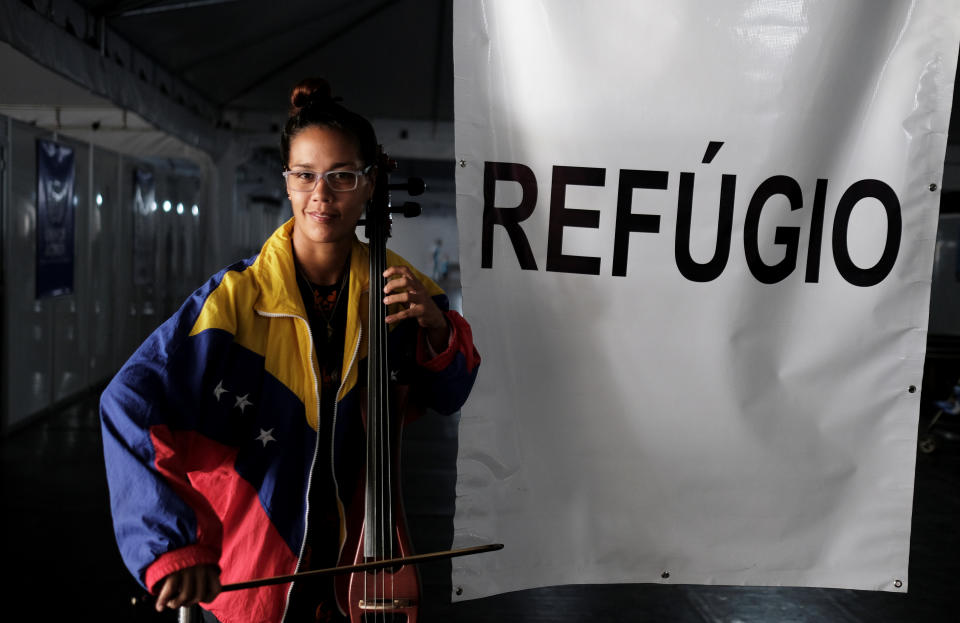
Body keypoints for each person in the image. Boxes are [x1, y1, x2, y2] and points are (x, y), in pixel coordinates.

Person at [100, 77, 481, 623]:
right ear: (287, 181)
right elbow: (129, 402)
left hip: (365, 566)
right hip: (254, 573)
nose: (321, 195)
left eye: (342, 177)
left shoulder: (402, 288)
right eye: (304, 176)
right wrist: (172, 544)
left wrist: (439, 327)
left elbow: (452, 392)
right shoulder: (233, 299)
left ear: (371, 184)